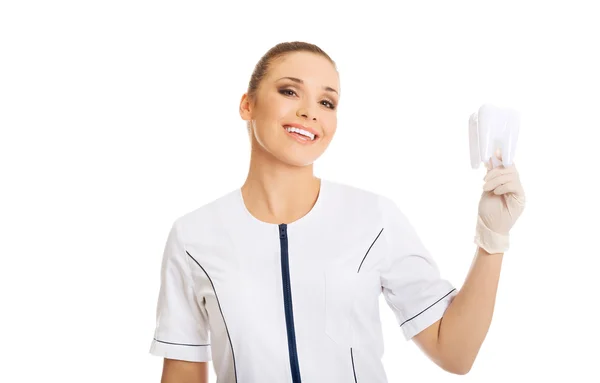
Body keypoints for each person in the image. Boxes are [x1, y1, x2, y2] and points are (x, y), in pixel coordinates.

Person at [148, 41, 526, 383]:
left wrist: (491, 239)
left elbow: (454, 353)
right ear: (248, 103)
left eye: (326, 102)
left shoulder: (373, 218)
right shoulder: (194, 237)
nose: (309, 112)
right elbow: (183, 373)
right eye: (289, 91)